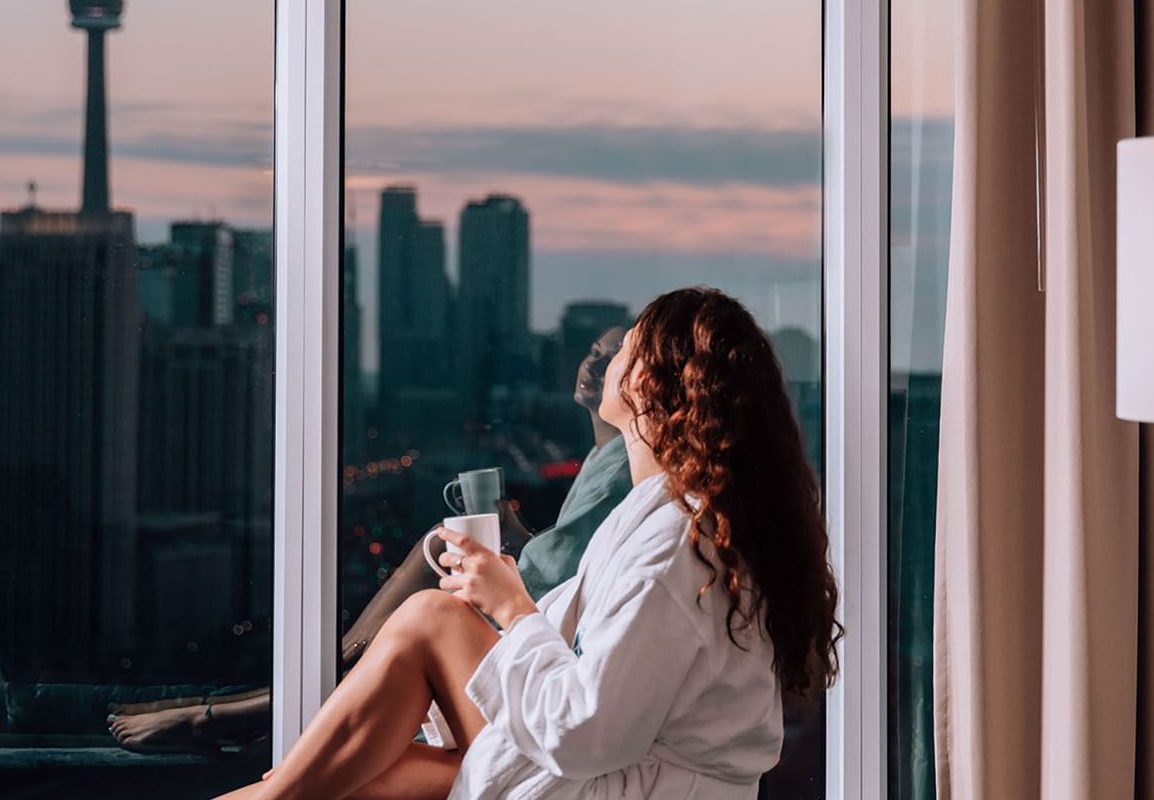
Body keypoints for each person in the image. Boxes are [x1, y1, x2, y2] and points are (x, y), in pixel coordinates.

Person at [222, 287, 842, 799]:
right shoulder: (678, 523)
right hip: (626, 769)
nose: (608, 360)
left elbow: (586, 732)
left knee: (428, 621)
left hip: (617, 779)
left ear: (649, 383)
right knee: (353, 775)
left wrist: (512, 605)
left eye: (626, 348)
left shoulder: (674, 550)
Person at [107, 328, 637, 753]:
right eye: (593, 350)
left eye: (611, 358)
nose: (593, 364)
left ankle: (247, 710)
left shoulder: (619, 468)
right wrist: (516, 535)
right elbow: (572, 557)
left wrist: (509, 548)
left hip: (536, 635)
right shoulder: (604, 455)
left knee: (436, 553)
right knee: (436, 547)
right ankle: (266, 701)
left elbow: (550, 578)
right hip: (536, 617)